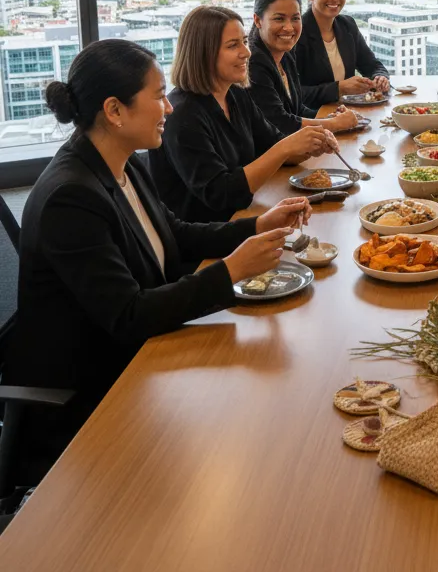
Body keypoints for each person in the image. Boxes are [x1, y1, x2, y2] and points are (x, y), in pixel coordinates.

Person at [6, 39, 312, 485]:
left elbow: (176, 233)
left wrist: (257, 225)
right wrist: (230, 272)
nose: (168, 107)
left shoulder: (119, 163)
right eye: (157, 95)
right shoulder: (70, 198)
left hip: (143, 359)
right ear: (115, 110)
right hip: (96, 394)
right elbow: (130, 315)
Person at [150, 6, 336, 223]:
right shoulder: (182, 115)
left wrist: (310, 144)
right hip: (207, 243)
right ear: (203, 53)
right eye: (233, 45)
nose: (246, 52)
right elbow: (222, 194)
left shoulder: (236, 94)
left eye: (245, 42)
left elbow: (274, 144)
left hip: (244, 219)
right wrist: (286, 147)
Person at [246, 0, 362, 137]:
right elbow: (279, 122)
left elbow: (298, 110)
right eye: (279, 19)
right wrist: (334, 124)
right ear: (258, 20)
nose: (289, 27)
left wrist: (331, 116)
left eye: (295, 18)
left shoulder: (285, 55)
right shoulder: (253, 63)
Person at [291, 0, 390, 110]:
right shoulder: (297, 33)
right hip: (315, 118)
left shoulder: (347, 25)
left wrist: (380, 78)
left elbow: (372, 65)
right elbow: (293, 93)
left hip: (348, 112)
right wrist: (338, 88)